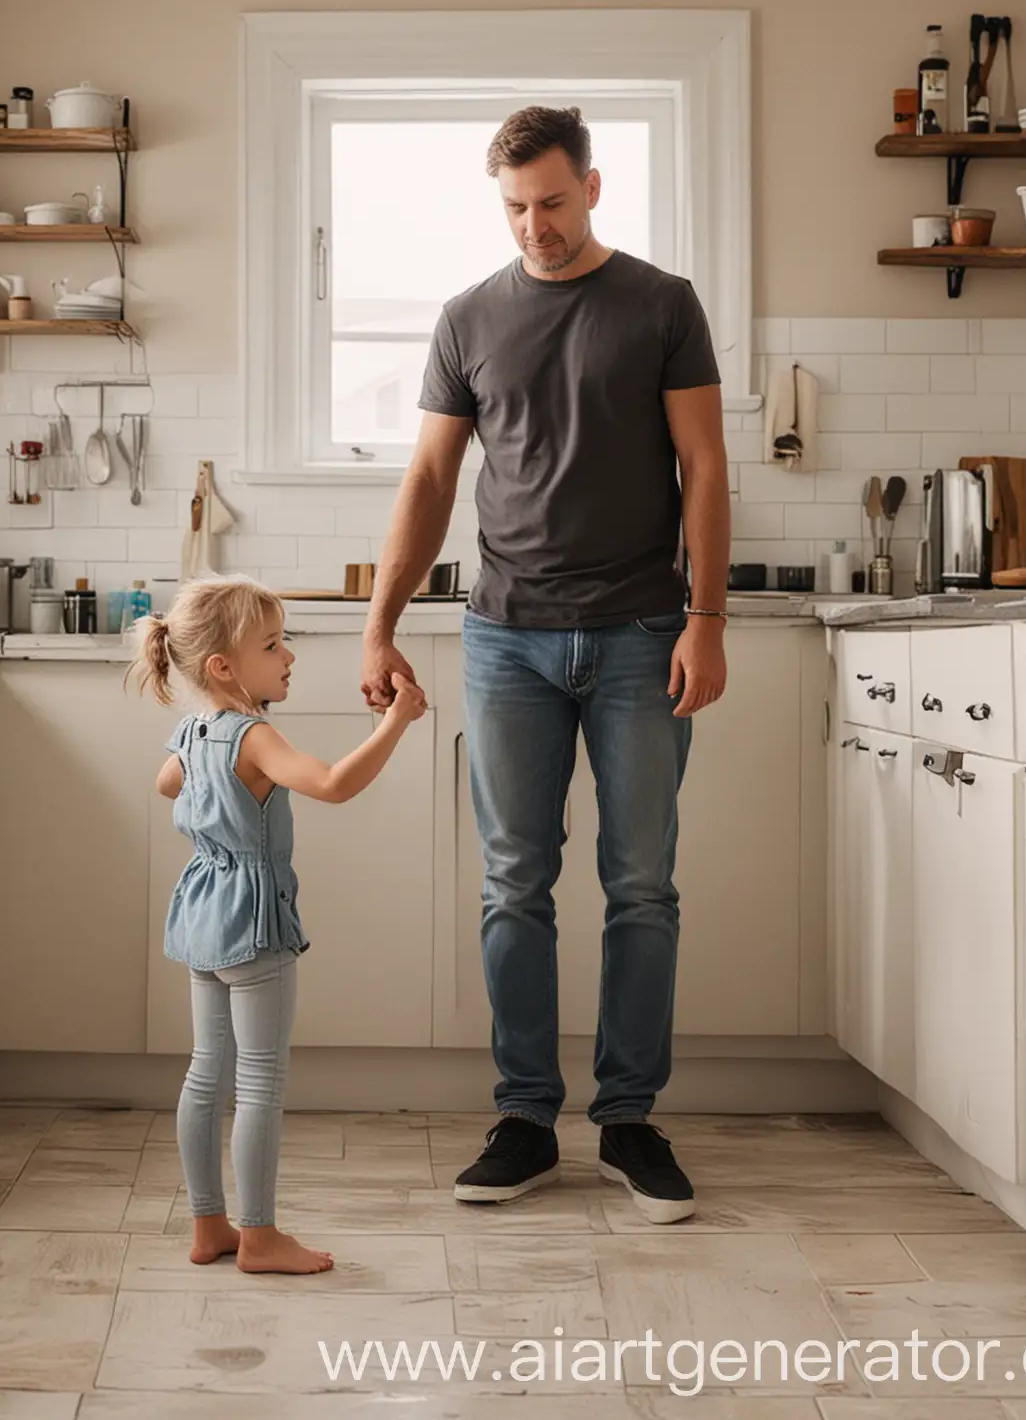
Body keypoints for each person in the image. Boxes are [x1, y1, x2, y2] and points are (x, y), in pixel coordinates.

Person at [360, 105, 731, 1223]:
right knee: (514, 884)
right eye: (518, 208)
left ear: (595, 187)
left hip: (639, 635)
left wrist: (705, 619)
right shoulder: (469, 317)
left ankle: (629, 1120)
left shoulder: (662, 305)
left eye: (555, 204)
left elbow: (705, 469)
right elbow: (428, 484)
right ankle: (525, 1118)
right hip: (506, 635)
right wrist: (379, 625)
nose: (538, 228)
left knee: (641, 885)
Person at [135, 575, 428, 1272]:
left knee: (206, 1075)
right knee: (260, 1080)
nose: (288, 656)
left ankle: (210, 1227)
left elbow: (167, 784)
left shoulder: (194, 729)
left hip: (204, 913)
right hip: (255, 923)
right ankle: (260, 1236)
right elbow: (331, 784)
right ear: (223, 667)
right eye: (272, 645)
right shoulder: (253, 735)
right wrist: (395, 723)